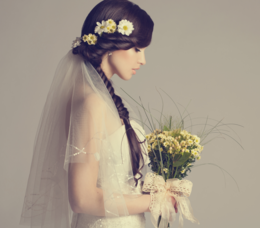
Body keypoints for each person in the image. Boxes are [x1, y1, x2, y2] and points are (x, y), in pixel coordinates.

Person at [20, 0, 177, 227]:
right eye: (137, 49)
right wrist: (152, 201)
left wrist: (162, 189)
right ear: (113, 43)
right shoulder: (91, 104)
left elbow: (115, 182)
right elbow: (82, 200)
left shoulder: (106, 101)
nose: (142, 60)